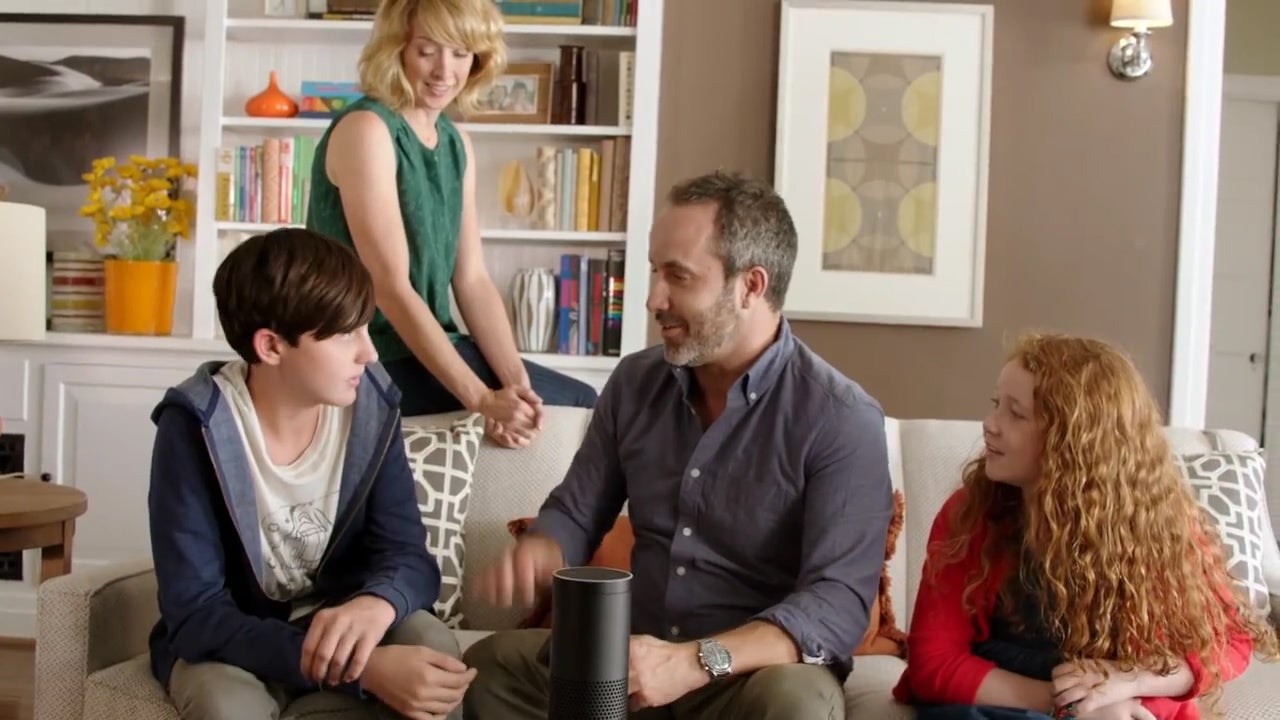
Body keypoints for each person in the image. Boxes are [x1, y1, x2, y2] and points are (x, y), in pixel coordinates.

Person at [461, 170, 896, 719]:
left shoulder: (842, 418)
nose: (653, 299)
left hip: (746, 679)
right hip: (632, 663)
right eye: (654, 271)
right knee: (492, 667)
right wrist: (545, 547)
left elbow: (837, 604)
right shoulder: (634, 383)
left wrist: (694, 661)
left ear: (751, 286)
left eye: (678, 276)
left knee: (795, 702)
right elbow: (578, 510)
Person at [146, 228, 476, 720]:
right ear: (271, 346)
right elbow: (196, 614)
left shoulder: (371, 408)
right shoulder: (197, 426)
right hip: (238, 642)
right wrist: (362, 672)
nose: (369, 353)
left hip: (344, 620)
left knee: (432, 647)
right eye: (345, 334)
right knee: (226, 706)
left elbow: (408, 555)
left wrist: (377, 603)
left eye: (366, 328)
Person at [892, 333, 1280, 720]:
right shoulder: (970, 513)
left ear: (1073, 440)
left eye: (1017, 414)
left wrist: (1130, 683)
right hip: (1004, 702)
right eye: (997, 405)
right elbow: (933, 663)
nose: (990, 424)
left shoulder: (1159, 523)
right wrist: (1072, 706)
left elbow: (1231, 643)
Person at [306, 0, 597, 450]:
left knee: (571, 402)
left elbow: (472, 279)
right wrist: (481, 398)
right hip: (367, 354)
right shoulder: (367, 130)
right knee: (579, 404)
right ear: (397, 49)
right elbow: (390, 287)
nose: (445, 71)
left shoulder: (456, 142)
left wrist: (516, 384)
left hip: (431, 344)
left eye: (461, 53)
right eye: (427, 51)